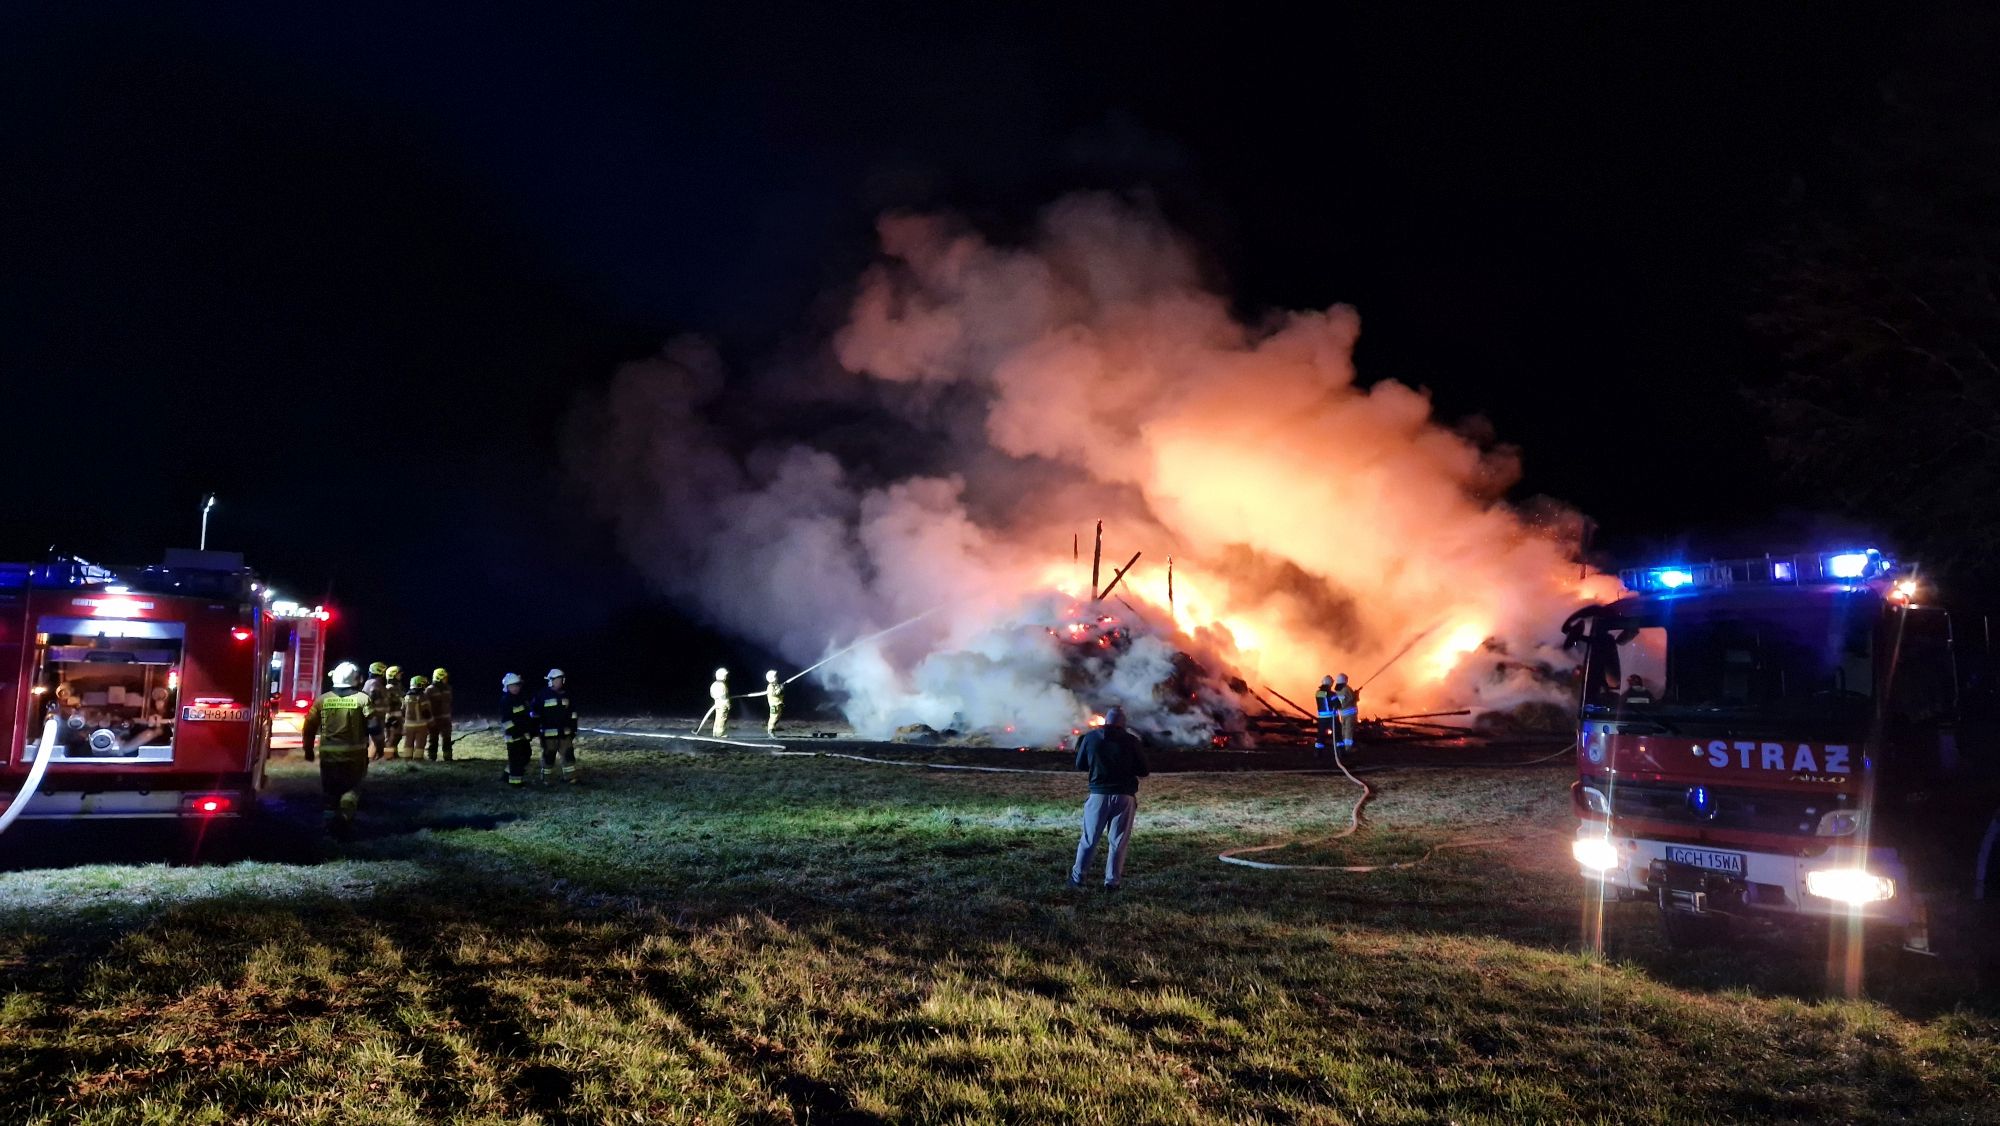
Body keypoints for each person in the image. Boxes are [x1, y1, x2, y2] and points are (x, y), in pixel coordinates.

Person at [1068, 706, 1149, 891]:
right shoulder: (1131, 741)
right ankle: (1112, 883)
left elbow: (1080, 764)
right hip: (1124, 796)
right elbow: (1144, 770)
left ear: (1106, 721)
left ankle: (1078, 878)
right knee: (1118, 841)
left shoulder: (1090, 738)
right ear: (1123, 723)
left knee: (1089, 839)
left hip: (1098, 794)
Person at [300, 661, 371, 835]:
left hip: (328, 756)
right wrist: (380, 745)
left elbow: (309, 727)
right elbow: (375, 726)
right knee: (353, 788)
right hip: (355, 756)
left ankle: (329, 828)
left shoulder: (322, 700)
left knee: (330, 792)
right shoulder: (363, 699)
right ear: (356, 679)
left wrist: (308, 750)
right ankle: (345, 820)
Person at [532, 668, 577, 784]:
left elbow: (573, 713)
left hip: (564, 732)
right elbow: (535, 714)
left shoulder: (567, 695)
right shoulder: (542, 695)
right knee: (549, 755)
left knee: (568, 754)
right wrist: (536, 730)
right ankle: (546, 779)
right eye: (557, 680)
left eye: (561, 680)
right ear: (550, 681)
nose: (559, 682)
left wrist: (573, 729)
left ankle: (570, 777)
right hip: (548, 733)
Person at [499, 672, 534, 786]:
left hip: (522, 734)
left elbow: (526, 716)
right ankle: (515, 783)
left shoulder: (521, 699)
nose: (515, 688)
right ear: (507, 687)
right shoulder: (505, 701)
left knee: (526, 755)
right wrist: (515, 732)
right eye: (512, 686)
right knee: (516, 759)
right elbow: (506, 721)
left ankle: (506, 775)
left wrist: (529, 729)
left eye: (517, 685)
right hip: (513, 736)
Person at [401, 673, 433, 760]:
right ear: (420, 685)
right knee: (420, 742)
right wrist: (431, 722)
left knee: (408, 742)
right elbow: (426, 712)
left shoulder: (406, 697)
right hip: (420, 725)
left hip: (408, 725)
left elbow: (402, 711)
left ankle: (407, 759)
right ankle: (418, 759)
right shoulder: (422, 696)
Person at [426, 667, 455, 761]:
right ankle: (432, 758)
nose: (446, 679)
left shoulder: (448, 688)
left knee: (447, 739)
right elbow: (426, 705)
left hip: (446, 719)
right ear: (438, 678)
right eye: (444, 677)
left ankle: (448, 757)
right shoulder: (429, 690)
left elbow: (449, 702)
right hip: (434, 719)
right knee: (433, 739)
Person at [365, 661, 391, 759]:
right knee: (378, 737)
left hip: (374, 715)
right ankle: (378, 756)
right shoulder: (375, 683)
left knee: (374, 738)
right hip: (376, 716)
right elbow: (373, 698)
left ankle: (375, 756)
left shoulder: (369, 682)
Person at [1330, 673, 1360, 756]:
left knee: (1343, 729)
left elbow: (1344, 699)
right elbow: (1354, 699)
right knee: (1349, 730)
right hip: (1350, 713)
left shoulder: (1337, 689)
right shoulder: (1347, 688)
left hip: (1342, 713)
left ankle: (1342, 746)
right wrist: (1357, 693)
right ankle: (1348, 748)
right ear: (1345, 680)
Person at [381, 664, 405, 758]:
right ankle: (388, 756)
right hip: (391, 716)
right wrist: (390, 717)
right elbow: (386, 703)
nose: (400, 676)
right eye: (399, 674)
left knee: (397, 736)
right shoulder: (389, 688)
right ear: (393, 675)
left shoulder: (398, 687)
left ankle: (394, 754)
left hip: (398, 715)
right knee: (391, 737)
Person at [1313, 674, 1337, 764]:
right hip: (1332, 718)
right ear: (1330, 683)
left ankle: (1317, 753)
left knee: (1320, 736)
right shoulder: (1332, 694)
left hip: (1322, 718)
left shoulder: (1318, 693)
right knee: (1337, 735)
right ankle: (1340, 753)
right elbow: (1338, 704)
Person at [708, 667, 731, 737]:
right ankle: (720, 734)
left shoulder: (714, 684)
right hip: (722, 704)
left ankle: (715, 732)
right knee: (722, 718)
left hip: (717, 703)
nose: (726, 677)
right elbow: (724, 696)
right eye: (725, 675)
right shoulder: (722, 685)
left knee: (717, 718)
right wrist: (728, 704)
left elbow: (712, 694)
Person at [763, 669, 784, 735]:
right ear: (771, 678)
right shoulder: (770, 686)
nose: (777, 677)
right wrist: (780, 689)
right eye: (775, 676)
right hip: (774, 705)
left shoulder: (776, 685)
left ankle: (772, 728)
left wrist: (780, 688)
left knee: (777, 717)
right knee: (773, 718)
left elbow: (780, 694)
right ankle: (770, 730)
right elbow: (774, 694)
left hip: (778, 704)